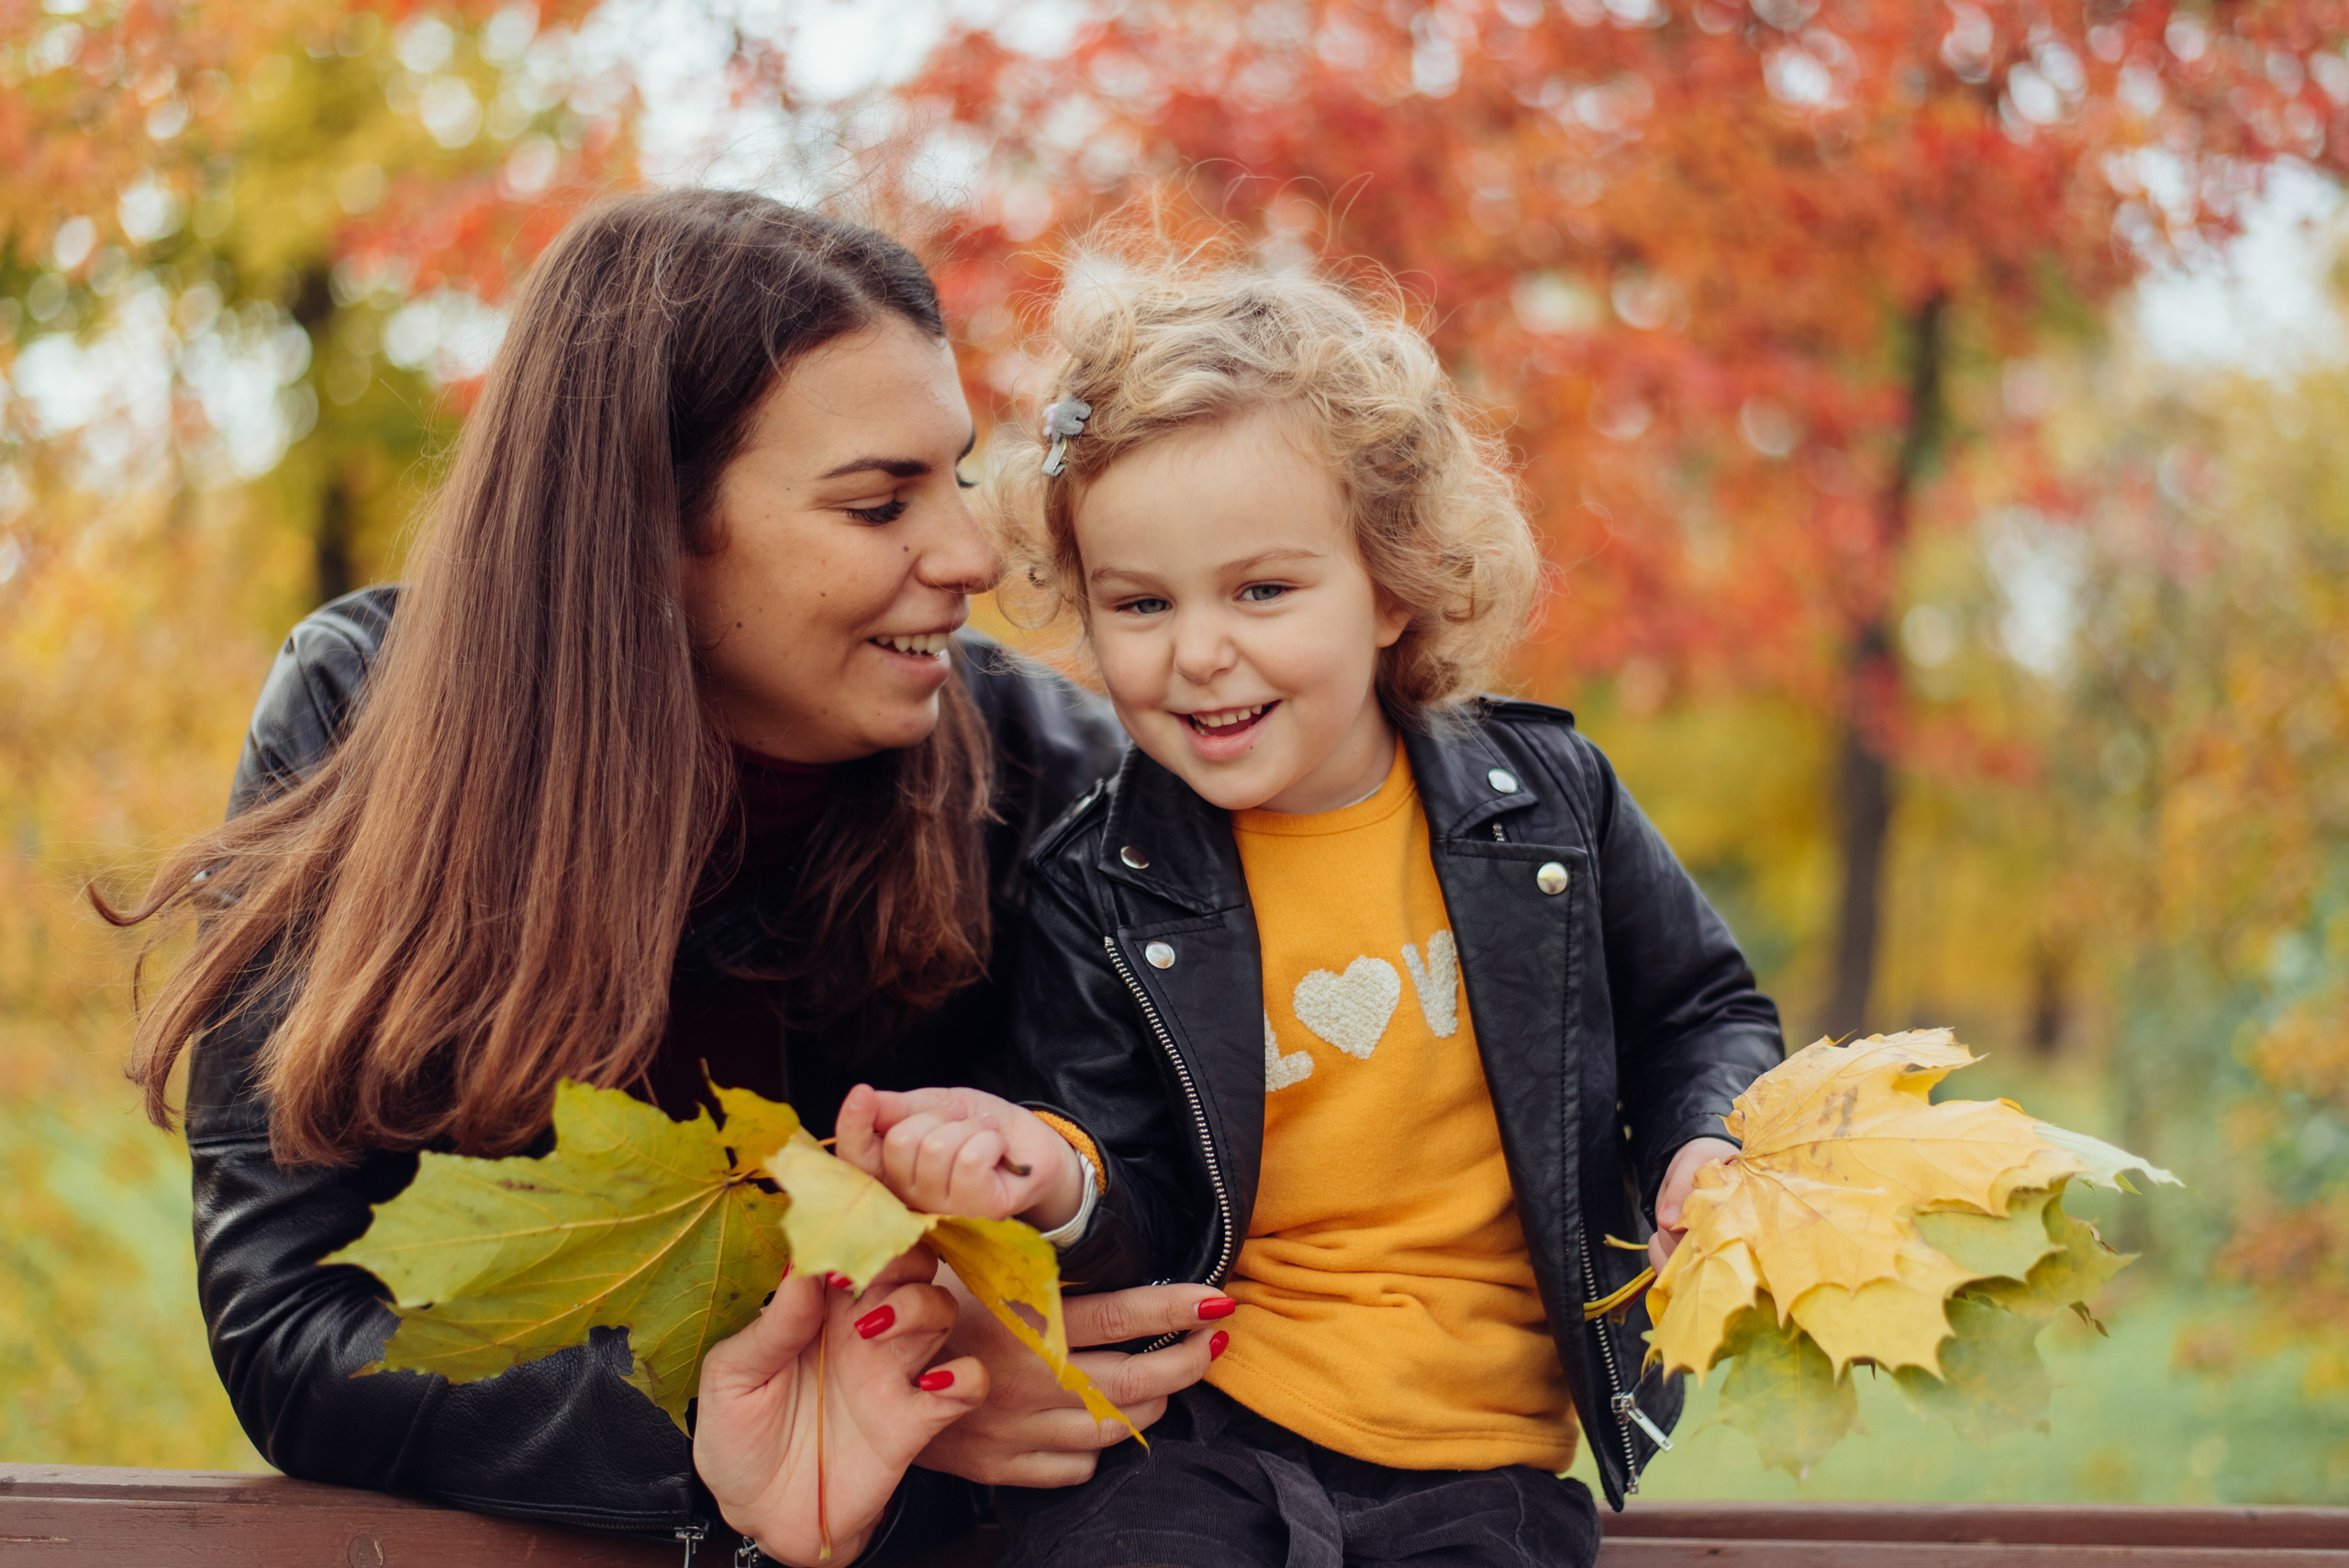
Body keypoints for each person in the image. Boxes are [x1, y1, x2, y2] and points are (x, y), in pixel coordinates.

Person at [98, 191, 1229, 1566]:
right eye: (880, 503)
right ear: (652, 527)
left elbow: (1177, 1220)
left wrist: (988, 1342)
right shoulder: (364, 717)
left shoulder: (1052, 772)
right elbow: (293, 1323)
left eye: (960, 476)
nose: (971, 555)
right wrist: (773, 1410)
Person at [833, 251, 1786, 1568]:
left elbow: (1701, 1010)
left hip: (1479, 1455)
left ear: (1392, 584)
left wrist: (1704, 1138)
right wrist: (1056, 1181)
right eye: (1141, 604)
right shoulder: (1098, 881)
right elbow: (1136, 1193)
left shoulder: (1546, 808)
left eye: (1262, 590)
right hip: (1194, 1435)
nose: (1200, 651)